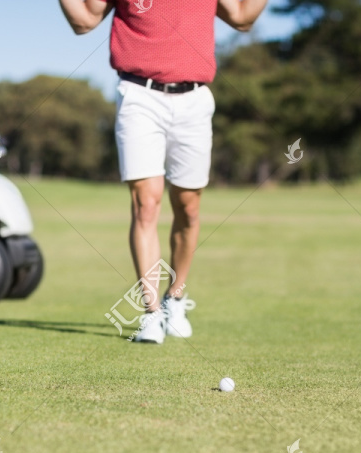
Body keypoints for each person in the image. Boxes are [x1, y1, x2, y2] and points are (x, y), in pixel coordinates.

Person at [59, 0, 268, 343]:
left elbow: (243, 18)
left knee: (188, 207)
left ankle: (176, 298)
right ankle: (151, 312)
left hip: (195, 100)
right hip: (140, 96)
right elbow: (84, 20)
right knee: (147, 204)